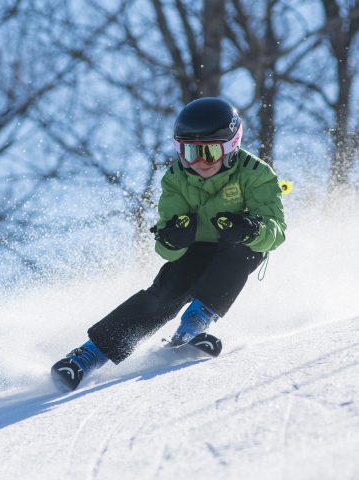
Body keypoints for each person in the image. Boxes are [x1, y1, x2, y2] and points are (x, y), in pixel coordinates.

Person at [51, 97, 287, 391]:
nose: (198, 162)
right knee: (167, 291)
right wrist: (173, 238)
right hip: (197, 248)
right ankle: (88, 356)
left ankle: (194, 325)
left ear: (230, 148)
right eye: (189, 152)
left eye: (209, 152)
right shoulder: (176, 178)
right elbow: (165, 248)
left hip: (238, 245)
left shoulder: (256, 173)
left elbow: (276, 231)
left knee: (242, 251)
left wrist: (251, 229)